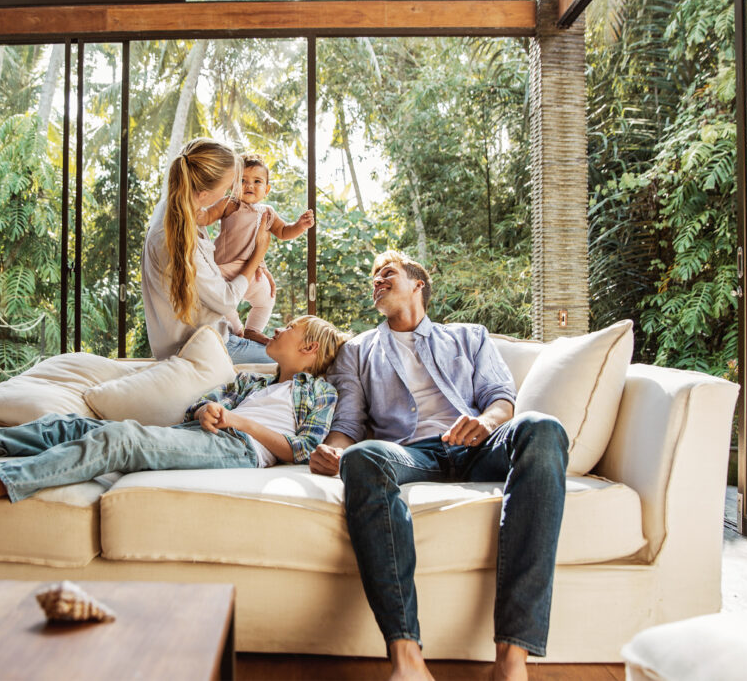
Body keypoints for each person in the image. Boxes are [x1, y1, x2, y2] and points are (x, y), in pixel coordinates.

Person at [309, 251, 568, 681]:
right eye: (373, 278)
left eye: (387, 273)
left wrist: (484, 424)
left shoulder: (470, 337)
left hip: (477, 444)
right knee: (361, 457)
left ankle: (511, 659)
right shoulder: (357, 350)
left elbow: (502, 398)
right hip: (412, 453)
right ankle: (408, 660)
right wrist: (332, 450)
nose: (376, 281)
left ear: (417, 284)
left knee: (542, 428)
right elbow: (350, 423)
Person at [0, 316, 347, 520]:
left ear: (308, 348)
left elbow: (300, 450)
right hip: (201, 436)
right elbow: (200, 407)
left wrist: (237, 424)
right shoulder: (254, 381)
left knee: (120, 439)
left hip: (240, 451)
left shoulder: (318, 391)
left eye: (291, 328)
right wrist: (207, 410)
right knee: (68, 425)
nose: (280, 328)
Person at [141, 138, 274, 364]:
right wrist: (257, 255)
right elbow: (225, 301)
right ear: (204, 194)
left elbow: (210, 275)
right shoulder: (175, 237)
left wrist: (254, 267)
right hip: (203, 348)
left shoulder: (177, 211)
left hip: (204, 339)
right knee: (291, 362)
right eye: (227, 187)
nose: (230, 194)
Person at [197, 153, 315, 344]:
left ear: (266, 189)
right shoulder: (229, 204)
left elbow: (284, 232)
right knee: (220, 297)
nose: (249, 185)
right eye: (242, 180)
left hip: (253, 270)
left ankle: (253, 329)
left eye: (257, 181)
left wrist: (300, 226)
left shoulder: (268, 212)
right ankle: (235, 326)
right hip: (225, 267)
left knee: (267, 297)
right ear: (232, 185)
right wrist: (196, 211)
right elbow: (207, 216)